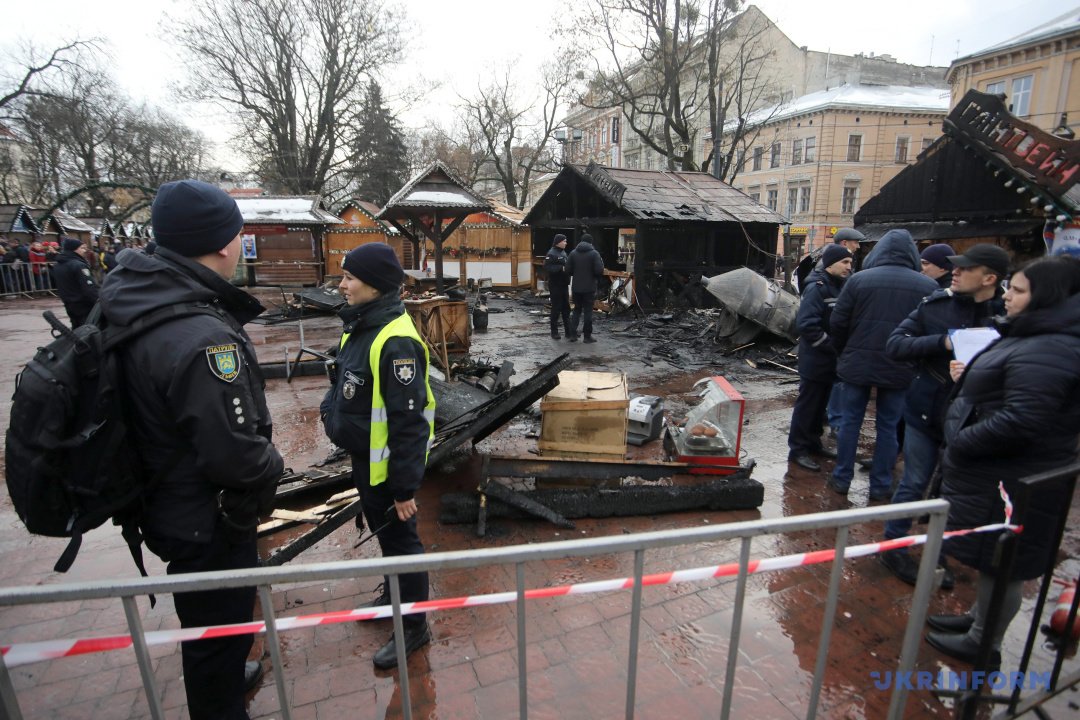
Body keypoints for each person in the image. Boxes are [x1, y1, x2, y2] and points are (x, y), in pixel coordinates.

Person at [99, 179, 283, 720]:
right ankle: (219, 702)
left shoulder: (139, 299)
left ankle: (222, 678)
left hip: (164, 499)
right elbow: (233, 454)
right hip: (208, 518)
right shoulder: (202, 336)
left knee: (206, 626)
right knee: (217, 630)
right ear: (224, 243)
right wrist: (273, 465)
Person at [925, 255, 1080, 666]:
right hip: (1004, 473)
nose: (1008, 295)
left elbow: (1023, 419)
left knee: (1004, 563)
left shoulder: (1051, 346)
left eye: (1019, 290)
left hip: (1013, 478)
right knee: (992, 557)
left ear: (1048, 298)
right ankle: (978, 620)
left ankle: (983, 643)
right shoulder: (1037, 335)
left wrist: (963, 441)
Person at [320, 242, 435, 669]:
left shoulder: (396, 341)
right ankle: (394, 597)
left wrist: (404, 488)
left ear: (374, 285)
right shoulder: (360, 324)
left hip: (388, 470)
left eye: (349, 277)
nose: (342, 285)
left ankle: (414, 627)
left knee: (403, 542)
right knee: (386, 535)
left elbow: (410, 424)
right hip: (366, 458)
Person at [878, 244, 1007, 585]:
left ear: (989, 278)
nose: (956, 272)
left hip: (975, 423)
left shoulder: (1009, 317)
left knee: (953, 491)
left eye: (966, 268)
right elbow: (896, 345)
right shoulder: (936, 305)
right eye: (956, 267)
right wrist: (942, 343)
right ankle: (893, 545)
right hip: (927, 412)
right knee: (914, 481)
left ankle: (938, 551)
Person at [828, 228, 938, 500]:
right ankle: (880, 485)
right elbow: (928, 330)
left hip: (858, 364)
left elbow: (838, 322)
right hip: (900, 366)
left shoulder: (858, 280)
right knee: (888, 427)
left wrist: (844, 352)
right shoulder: (927, 286)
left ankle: (841, 478)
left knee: (850, 422)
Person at [787, 244, 852, 471]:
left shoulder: (841, 286)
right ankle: (798, 449)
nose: (849, 267)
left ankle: (813, 443)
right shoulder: (817, 288)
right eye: (844, 262)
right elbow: (806, 325)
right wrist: (831, 345)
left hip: (831, 361)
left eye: (850, 262)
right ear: (830, 264)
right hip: (816, 359)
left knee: (820, 406)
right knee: (808, 406)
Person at [52, 237, 100, 327]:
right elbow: (89, 288)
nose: (85, 250)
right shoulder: (78, 265)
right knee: (89, 329)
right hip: (84, 305)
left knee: (77, 328)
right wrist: (99, 302)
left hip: (69, 303)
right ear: (73, 249)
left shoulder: (58, 265)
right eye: (82, 248)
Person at [566, 233, 605, 343]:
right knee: (588, 312)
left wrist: (576, 273)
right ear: (591, 242)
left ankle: (573, 335)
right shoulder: (594, 254)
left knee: (576, 310)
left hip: (576, 287)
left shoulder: (573, 253)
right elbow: (599, 270)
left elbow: (568, 270)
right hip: (589, 287)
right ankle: (587, 337)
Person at [544, 234, 571, 339]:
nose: (566, 243)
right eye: (564, 241)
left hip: (564, 284)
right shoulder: (551, 253)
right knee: (556, 308)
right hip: (555, 285)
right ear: (558, 242)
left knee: (566, 308)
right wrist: (560, 268)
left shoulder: (563, 252)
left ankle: (568, 331)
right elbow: (547, 267)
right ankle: (554, 332)